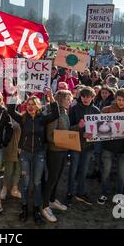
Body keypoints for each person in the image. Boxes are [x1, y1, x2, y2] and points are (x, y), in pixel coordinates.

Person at [8, 90, 60, 223]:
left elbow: (56, 113)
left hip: (39, 154)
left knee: (37, 183)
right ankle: (24, 208)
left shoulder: (43, 118)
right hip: (25, 154)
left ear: (37, 106)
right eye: (28, 104)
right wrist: (14, 98)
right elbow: (11, 111)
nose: (30, 106)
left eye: (33, 104)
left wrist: (51, 97)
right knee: (25, 183)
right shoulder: (23, 118)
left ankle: (37, 209)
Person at [97, 89, 124, 205]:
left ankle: (119, 194)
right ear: (115, 99)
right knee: (106, 170)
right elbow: (99, 127)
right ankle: (104, 193)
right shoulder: (106, 110)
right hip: (108, 146)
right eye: (119, 100)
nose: (121, 102)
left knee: (121, 172)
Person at [43, 90, 73, 223]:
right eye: (68, 99)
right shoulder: (54, 113)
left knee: (57, 177)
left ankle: (52, 200)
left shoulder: (65, 112)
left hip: (63, 150)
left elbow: (66, 131)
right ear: (61, 100)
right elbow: (50, 136)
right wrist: (64, 140)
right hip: (54, 151)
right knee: (52, 178)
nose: (70, 101)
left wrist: (79, 127)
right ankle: (44, 206)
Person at [67, 86, 100, 206]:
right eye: (83, 96)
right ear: (80, 97)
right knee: (73, 169)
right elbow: (69, 128)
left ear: (92, 97)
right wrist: (80, 129)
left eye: (88, 97)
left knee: (84, 170)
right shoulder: (74, 109)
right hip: (76, 144)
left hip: (89, 146)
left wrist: (92, 135)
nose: (86, 99)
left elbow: (99, 130)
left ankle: (81, 192)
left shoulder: (96, 110)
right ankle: (70, 192)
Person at [0, 117, 22, 201]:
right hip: (10, 148)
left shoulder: (23, 116)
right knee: (8, 170)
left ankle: (14, 189)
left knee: (18, 169)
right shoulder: (8, 116)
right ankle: (4, 189)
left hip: (21, 148)